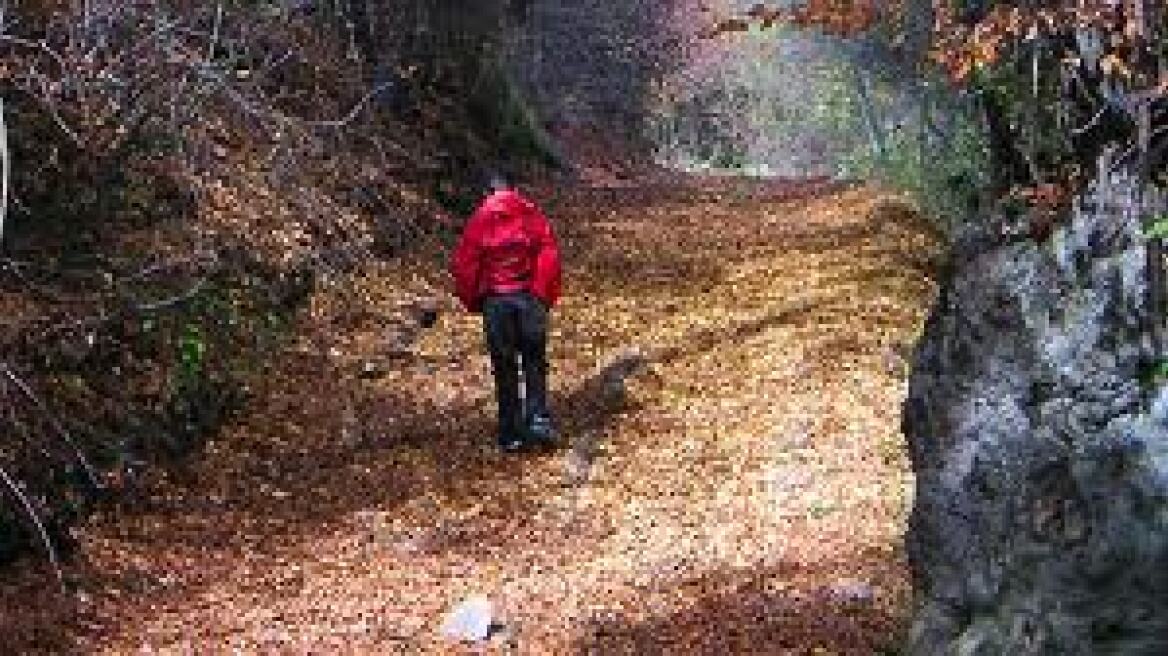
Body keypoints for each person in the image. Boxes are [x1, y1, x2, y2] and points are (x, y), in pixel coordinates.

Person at [450, 173, 562, 453]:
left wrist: (475, 300)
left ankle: (509, 432)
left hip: (497, 302)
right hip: (529, 298)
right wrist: (542, 294)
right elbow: (548, 254)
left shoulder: (480, 219)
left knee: (504, 367)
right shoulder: (530, 212)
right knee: (534, 361)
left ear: (488, 191)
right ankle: (538, 419)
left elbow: (466, 265)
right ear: (513, 188)